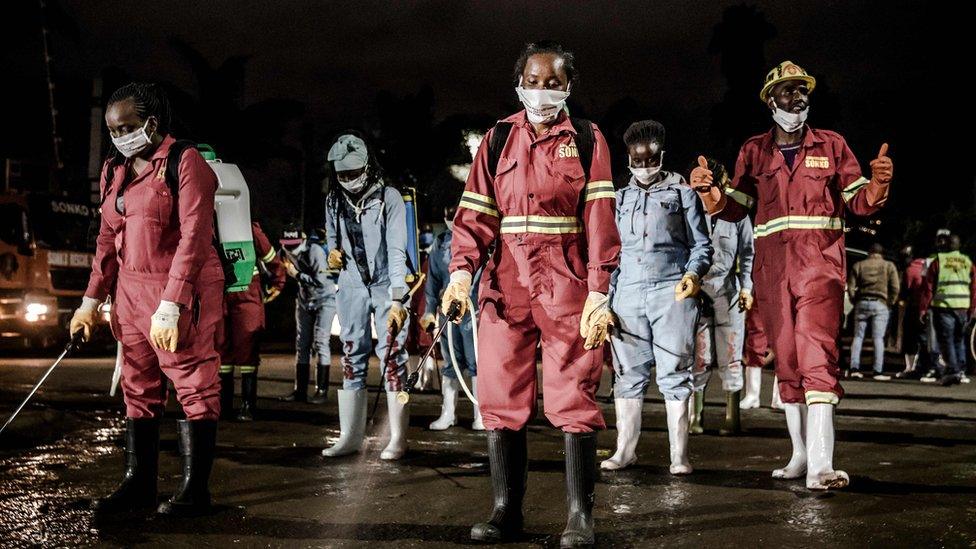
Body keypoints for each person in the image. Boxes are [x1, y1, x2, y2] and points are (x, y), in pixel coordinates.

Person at [441, 41, 619, 546]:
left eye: (554, 83)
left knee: (574, 396)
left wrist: (600, 291)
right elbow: (475, 215)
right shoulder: (497, 140)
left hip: (567, 283)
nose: (543, 91)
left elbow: (600, 218)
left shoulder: (587, 139)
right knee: (500, 394)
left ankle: (580, 519)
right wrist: (459, 275)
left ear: (569, 87)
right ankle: (504, 511)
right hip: (505, 284)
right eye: (534, 81)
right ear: (519, 82)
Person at [692, 60, 893, 490]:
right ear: (771, 101)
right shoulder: (753, 151)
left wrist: (877, 187)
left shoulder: (833, 145)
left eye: (802, 91)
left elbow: (859, 202)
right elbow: (735, 208)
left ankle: (823, 463)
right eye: (787, 92)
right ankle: (800, 455)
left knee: (817, 355)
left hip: (819, 267)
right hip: (771, 271)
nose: (797, 98)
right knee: (787, 360)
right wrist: (710, 193)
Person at [69, 82, 224, 515]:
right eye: (112, 129)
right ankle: (139, 487)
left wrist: (172, 304)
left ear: (152, 123)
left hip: (180, 290)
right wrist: (89, 300)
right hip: (130, 296)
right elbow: (106, 235)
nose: (119, 136)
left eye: (127, 127)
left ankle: (196, 492)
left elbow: (195, 235)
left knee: (193, 384)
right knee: (138, 388)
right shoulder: (114, 169)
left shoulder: (184, 162)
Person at [602, 120, 712, 475]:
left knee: (674, 372)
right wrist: (606, 299)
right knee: (627, 373)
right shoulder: (619, 198)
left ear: (661, 156)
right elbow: (611, 254)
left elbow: (702, 245)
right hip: (628, 294)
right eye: (636, 161)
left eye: (650, 160)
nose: (643, 167)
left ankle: (679, 456)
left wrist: (693, 276)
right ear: (628, 160)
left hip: (672, 292)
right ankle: (624, 450)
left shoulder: (682, 193)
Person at [322, 132, 411, 460]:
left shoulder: (390, 198)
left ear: (368, 167)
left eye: (353, 172)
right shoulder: (333, 200)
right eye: (341, 174)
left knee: (392, 356)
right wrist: (332, 252)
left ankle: (398, 437)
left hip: (386, 284)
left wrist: (398, 298)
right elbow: (331, 236)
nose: (347, 179)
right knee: (350, 355)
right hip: (351, 285)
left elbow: (397, 248)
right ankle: (350, 437)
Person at [690, 158, 753, 435]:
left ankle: (732, 416)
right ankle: (697, 416)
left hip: (728, 290)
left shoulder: (738, 213)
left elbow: (748, 254)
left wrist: (746, 287)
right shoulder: (690, 210)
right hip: (698, 290)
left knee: (731, 353)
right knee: (699, 355)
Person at [420, 204, 483, 431]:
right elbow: (433, 280)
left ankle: (481, 413)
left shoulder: (477, 240)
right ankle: (448, 413)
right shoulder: (441, 243)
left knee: (476, 362)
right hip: (448, 311)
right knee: (450, 362)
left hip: (471, 310)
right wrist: (429, 309)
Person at [218, 221, 286, 421]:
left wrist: (277, 283)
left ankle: (247, 405)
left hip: (245, 291)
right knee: (222, 349)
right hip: (222, 292)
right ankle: (225, 405)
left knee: (247, 345)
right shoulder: (209, 223)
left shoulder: (248, 227)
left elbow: (272, 259)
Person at [279, 225, 337, 404]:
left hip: (325, 300)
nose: (290, 250)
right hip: (304, 301)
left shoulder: (315, 252)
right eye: (286, 245)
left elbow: (320, 282)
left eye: (293, 245)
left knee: (321, 342)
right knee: (302, 344)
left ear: (302, 241)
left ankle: (322, 390)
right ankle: (300, 390)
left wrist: (297, 275)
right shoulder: (285, 251)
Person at [920, 234, 976, 386]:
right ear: (959, 245)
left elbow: (929, 287)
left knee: (947, 339)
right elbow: (974, 287)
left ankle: (952, 370)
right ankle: (961, 370)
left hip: (944, 306)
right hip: (963, 306)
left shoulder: (939, 261)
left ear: (946, 245)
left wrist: (924, 309)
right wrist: (973, 308)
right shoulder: (967, 262)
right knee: (959, 339)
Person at [847, 243, 899, 380]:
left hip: (862, 302)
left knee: (858, 337)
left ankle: (854, 368)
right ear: (882, 253)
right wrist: (890, 303)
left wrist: (854, 300)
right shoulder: (888, 266)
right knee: (878, 338)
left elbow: (851, 286)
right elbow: (895, 287)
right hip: (880, 303)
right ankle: (877, 371)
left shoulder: (859, 265)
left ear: (870, 252)